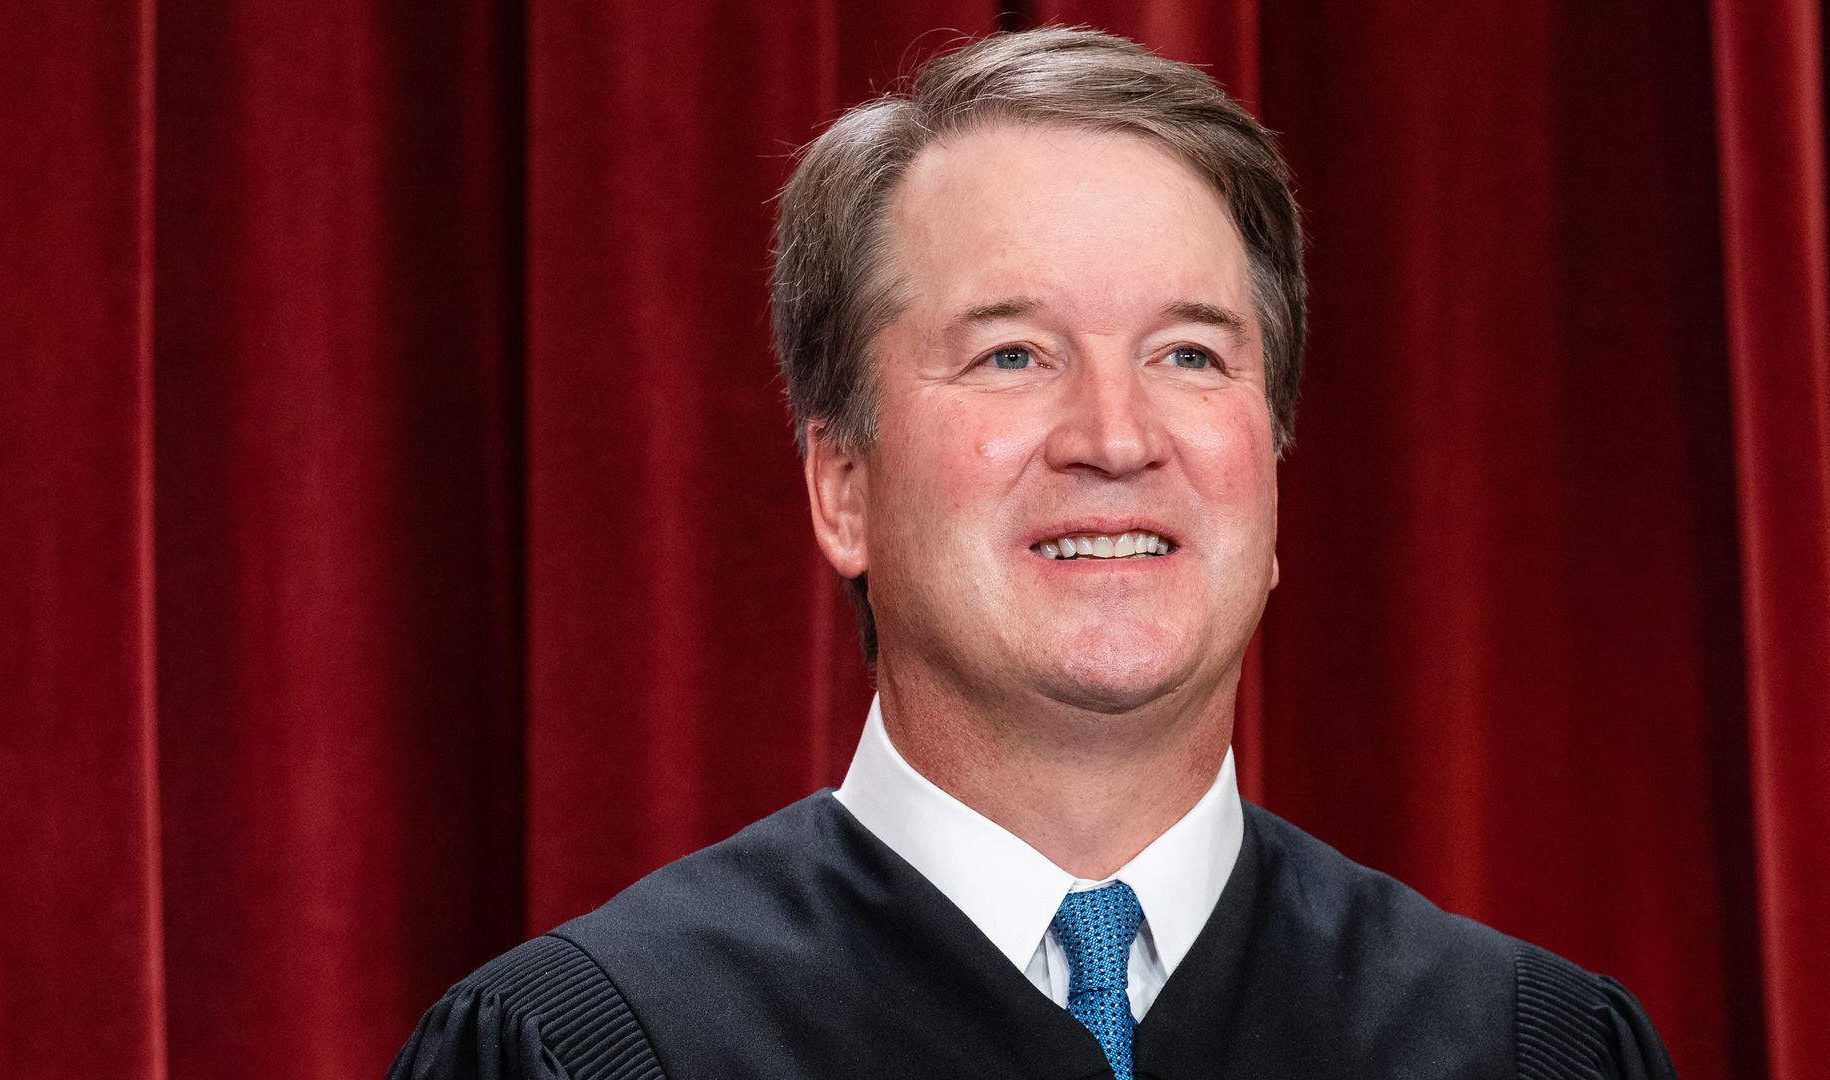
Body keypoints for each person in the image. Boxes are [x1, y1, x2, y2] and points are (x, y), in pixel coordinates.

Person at [388, 27, 1675, 1079]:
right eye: (1013, 354)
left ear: (1271, 474)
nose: (1116, 437)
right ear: (842, 485)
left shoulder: (1526, 1051)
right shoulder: (594, 1053)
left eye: (1190, 354)